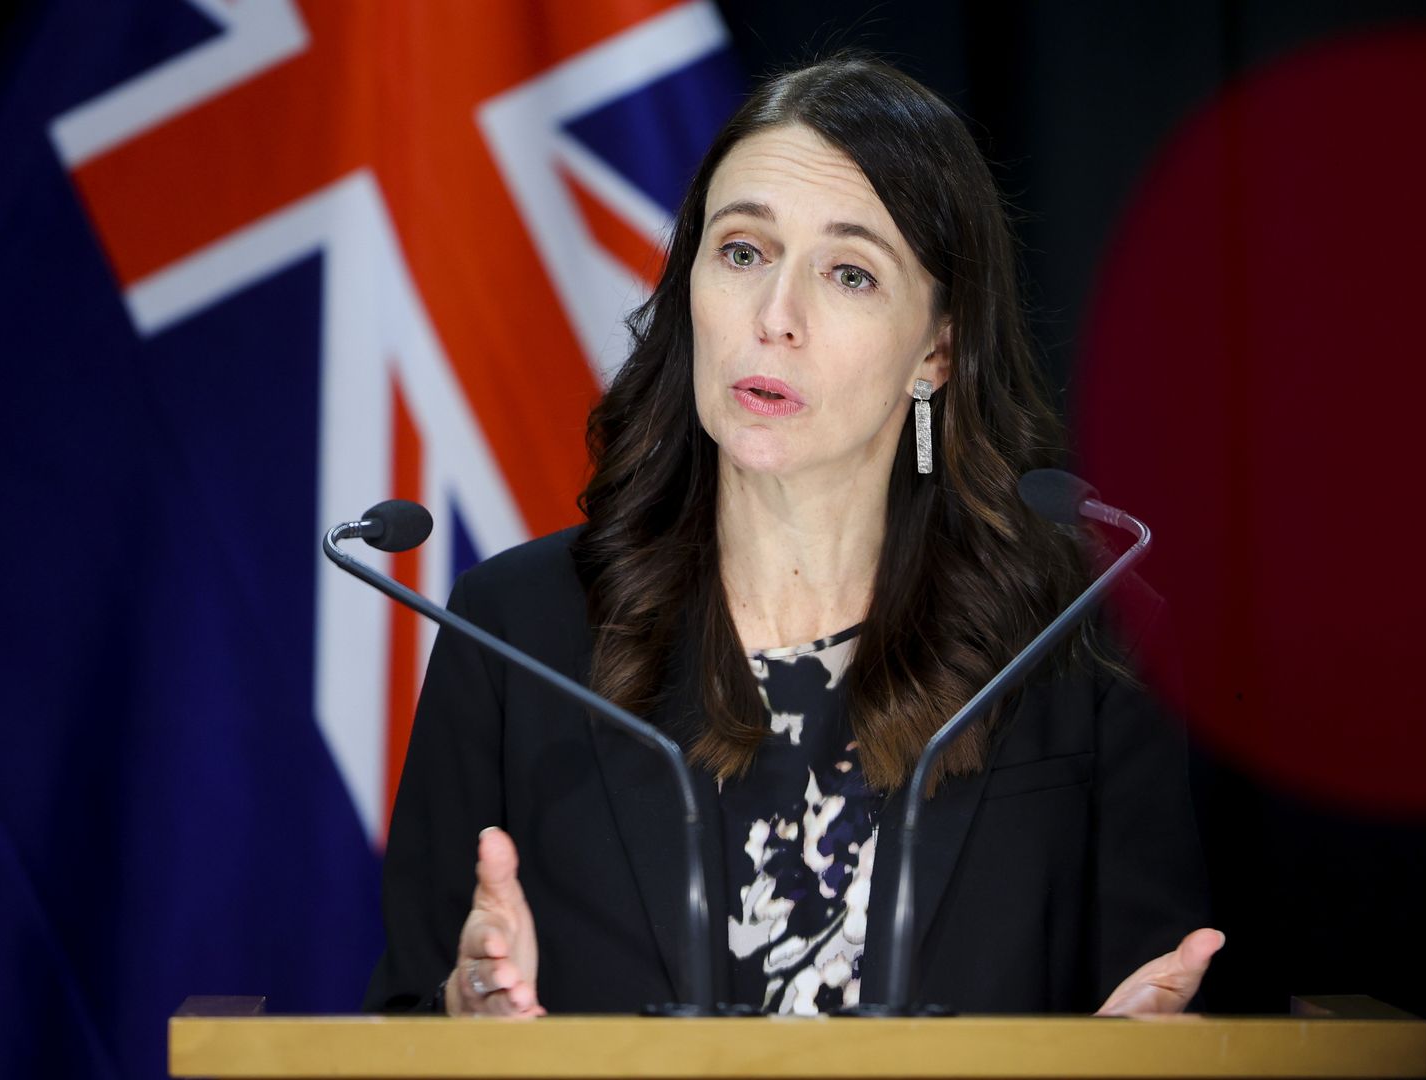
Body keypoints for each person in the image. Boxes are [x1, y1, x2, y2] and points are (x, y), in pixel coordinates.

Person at [363, 55, 1218, 1018]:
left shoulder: (1080, 639)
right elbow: (403, 1012)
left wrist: (1138, 1054)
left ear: (936, 349)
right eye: (742, 252)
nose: (776, 317)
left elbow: (1154, 996)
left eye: (849, 273)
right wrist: (461, 1016)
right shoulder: (513, 630)